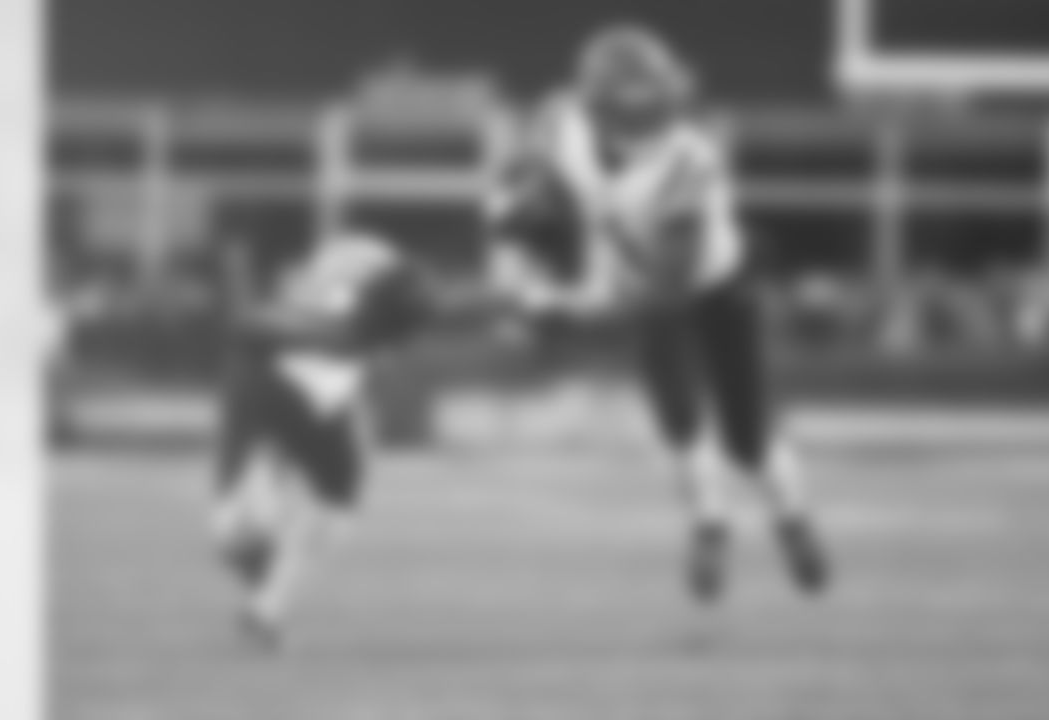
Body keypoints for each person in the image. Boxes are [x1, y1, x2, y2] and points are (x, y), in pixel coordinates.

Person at [485, 24, 831, 603]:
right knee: (678, 415)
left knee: (745, 433)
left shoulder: (690, 163)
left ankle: (792, 518)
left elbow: (664, 286)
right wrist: (522, 234)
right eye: (634, 111)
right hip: (635, 273)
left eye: (656, 107)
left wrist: (563, 307)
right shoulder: (560, 122)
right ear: (597, 107)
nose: (649, 125)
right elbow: (517, 190)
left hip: (713, 283)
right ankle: (709, 525)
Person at [212, 226, 433, 647]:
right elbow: (359, 331)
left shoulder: (323, 273)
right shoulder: (379, 282)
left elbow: (269, 322)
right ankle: (265, 599)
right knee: (336, 504)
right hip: (318, 384)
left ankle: (245, 531)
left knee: (264, 474)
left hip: (264, 373)